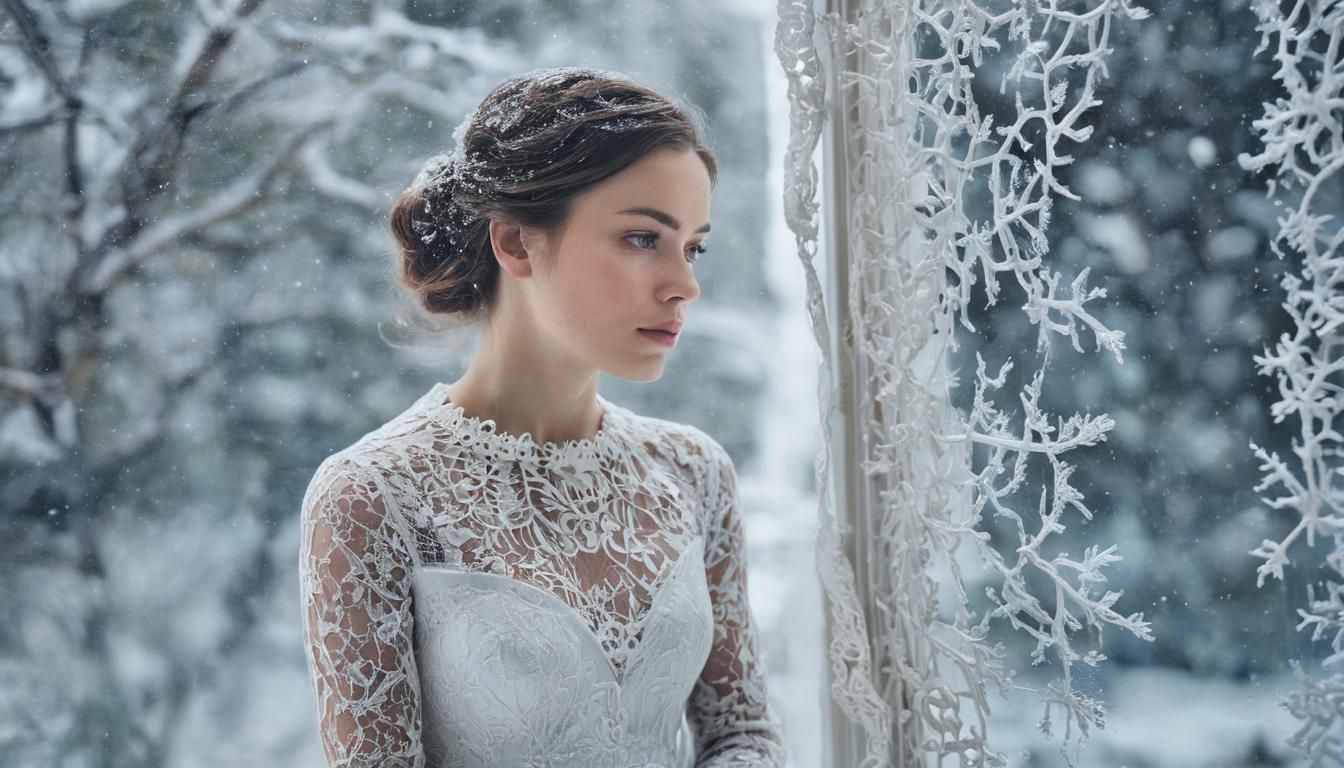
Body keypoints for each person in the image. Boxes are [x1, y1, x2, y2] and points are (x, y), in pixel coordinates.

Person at [297, 67, 786, 767]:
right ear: (515, 243)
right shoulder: (372, 497)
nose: (685, 285)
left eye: (693, 247)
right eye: (643, 238)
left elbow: (742, 733)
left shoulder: (693, 471)